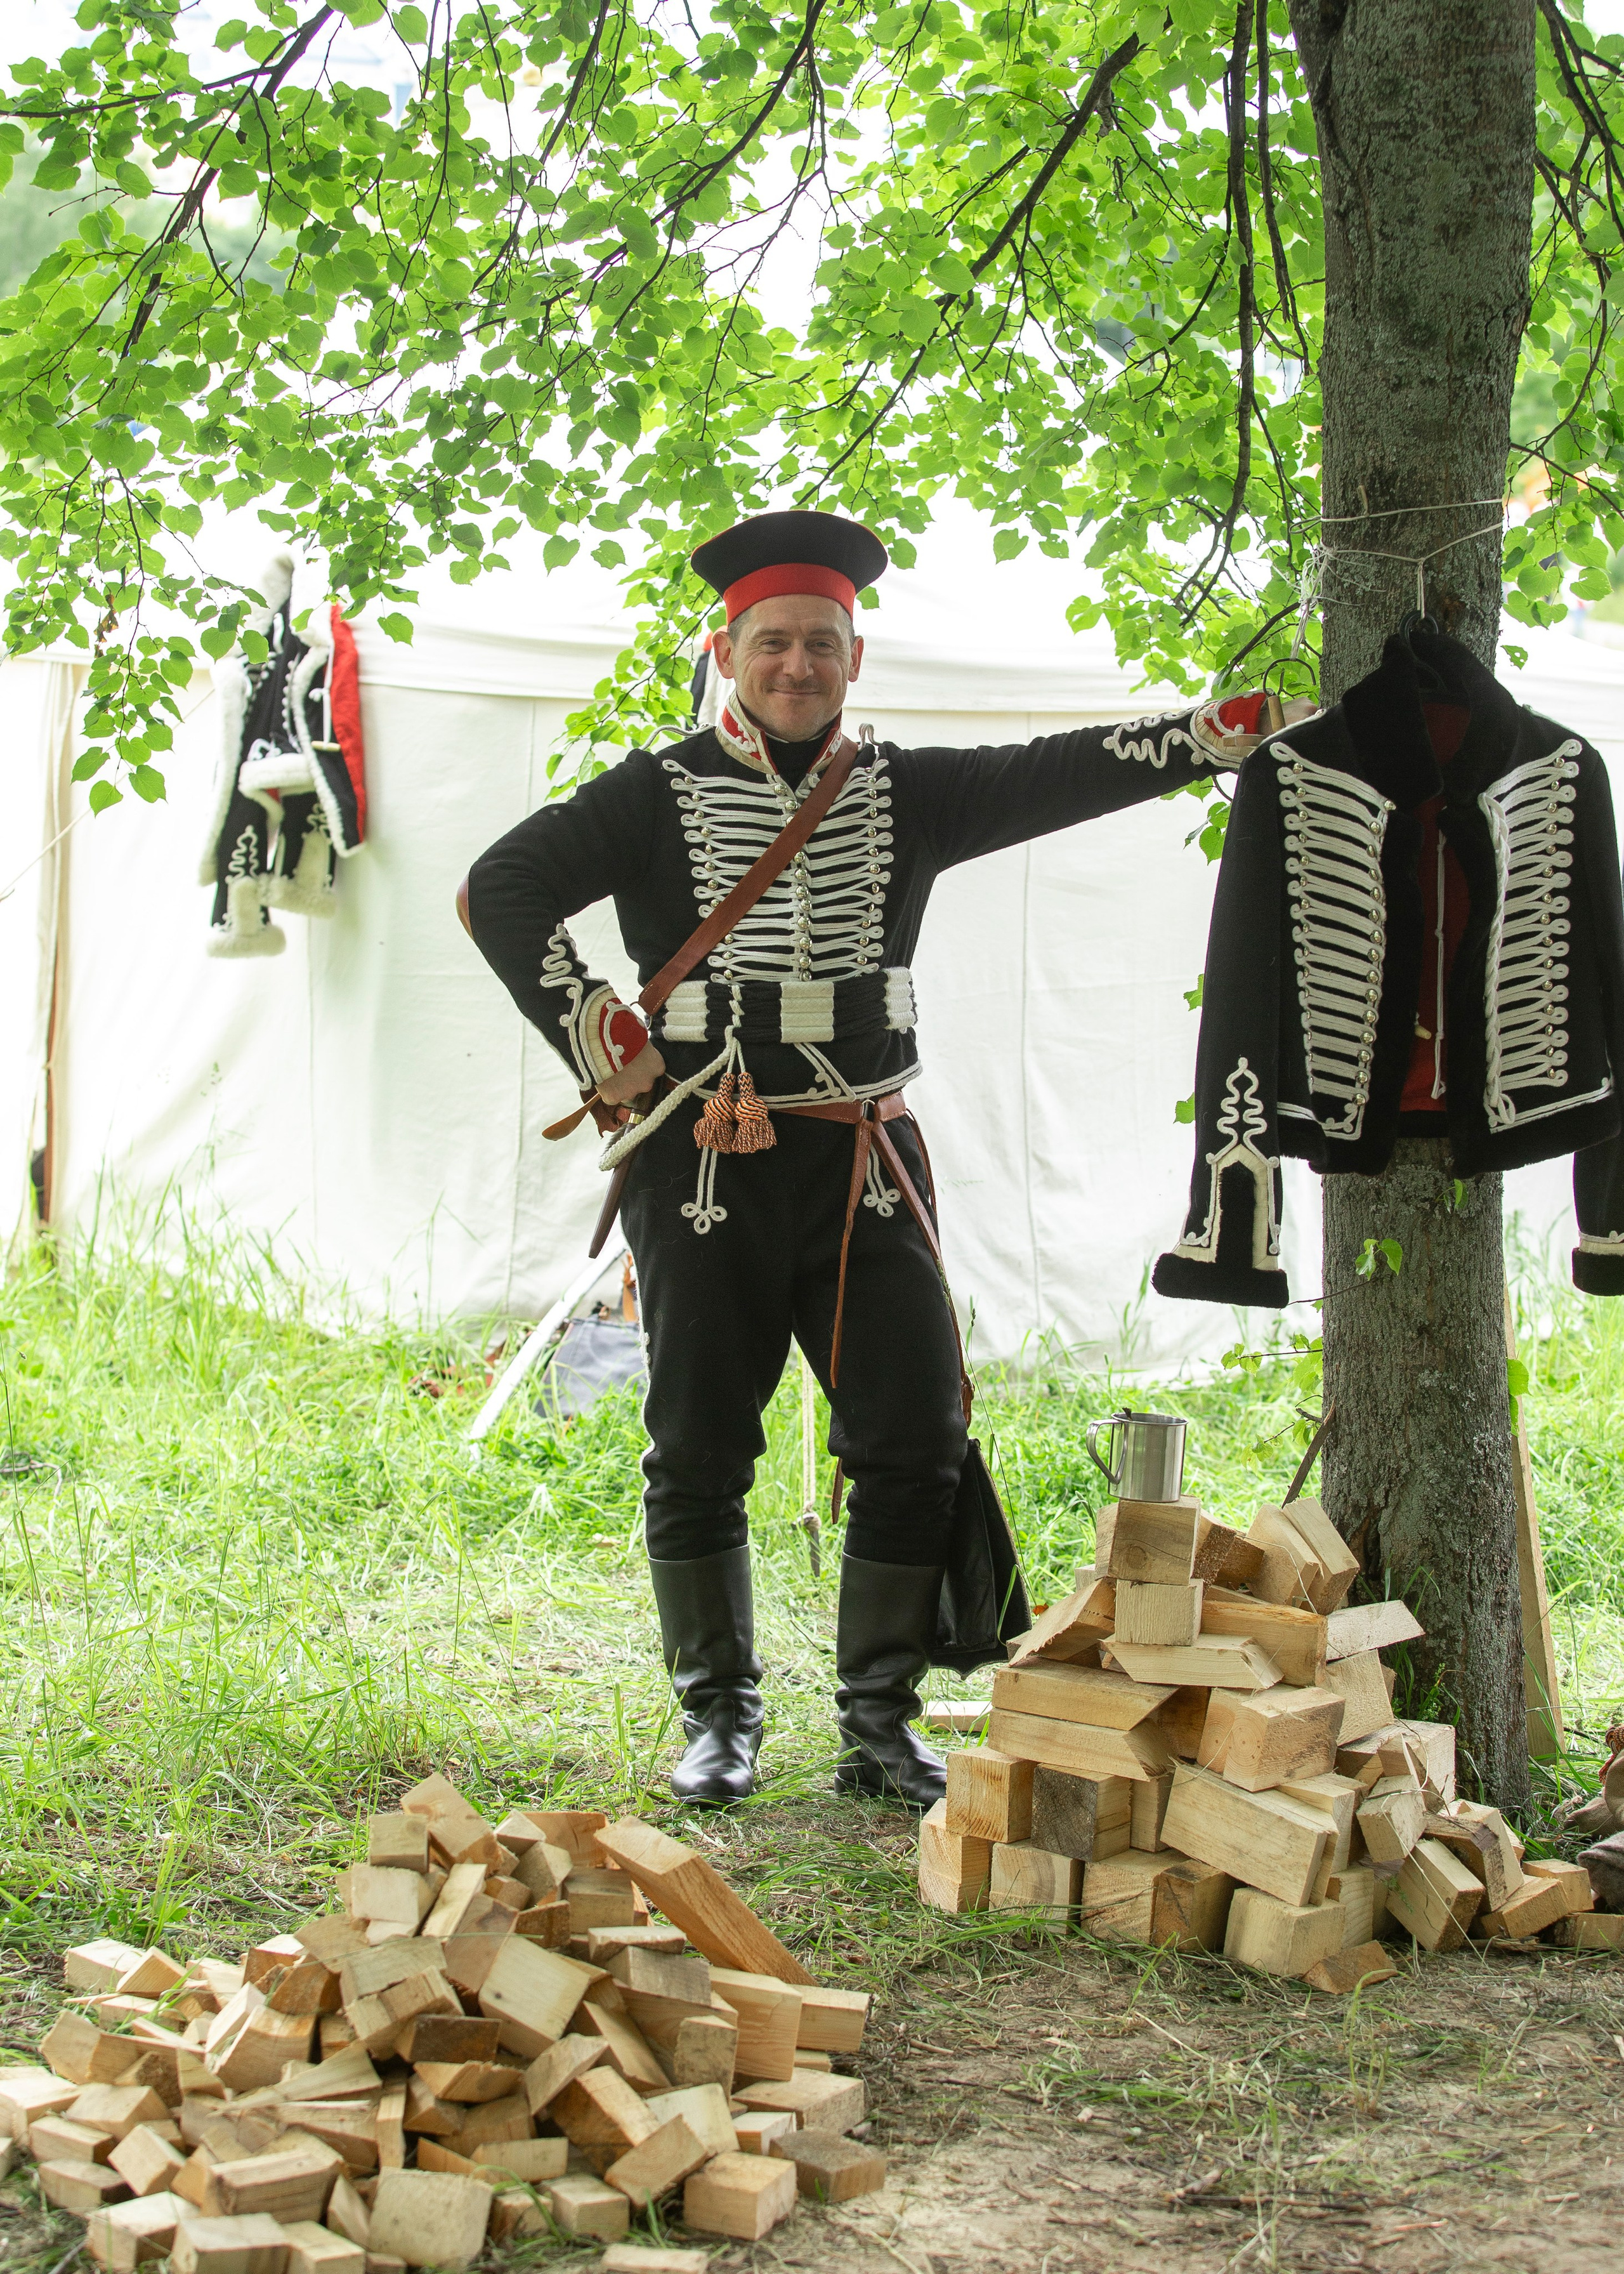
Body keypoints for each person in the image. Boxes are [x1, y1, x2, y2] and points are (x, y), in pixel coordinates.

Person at [461, 510, 1290, 1810]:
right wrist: (595, 1030)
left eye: (821, 645)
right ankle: (717, 1719)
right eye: (773, 643)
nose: (796, 665)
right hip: (707, 1165)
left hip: (862, 1157)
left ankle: (876, 1723)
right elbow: (497, 887)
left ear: (856, 657)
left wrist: (1204, 738)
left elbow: (1057, 769)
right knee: (696, 1444)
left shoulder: (906, 791)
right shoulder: (654, 792)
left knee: (914, 1437)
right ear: (725, 649)